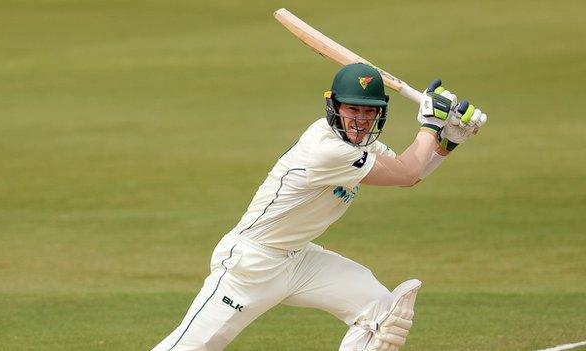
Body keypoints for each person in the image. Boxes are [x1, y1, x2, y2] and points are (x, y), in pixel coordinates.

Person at [151, 63, 487, 351]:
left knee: (382, 312)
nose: (360, 120)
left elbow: (408, 173)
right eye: (353, 110)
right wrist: (430, 123)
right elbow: (408, 171)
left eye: (368, 112)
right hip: (251, 265)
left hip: (298, 260)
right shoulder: (326, 149)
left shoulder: (361, 146)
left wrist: (448, 139)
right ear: (335, 107)